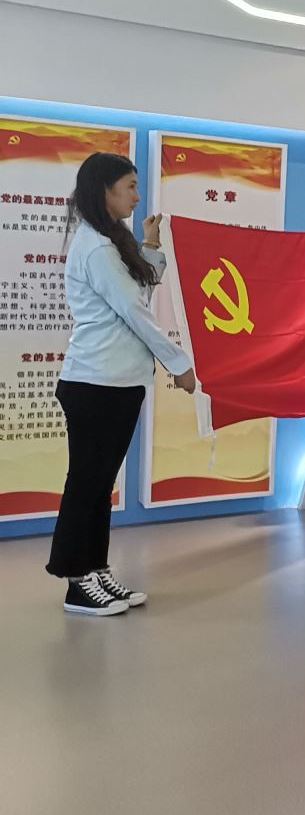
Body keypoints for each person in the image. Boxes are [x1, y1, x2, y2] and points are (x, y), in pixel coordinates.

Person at [51, 153, 196, 616]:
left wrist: (150, 244)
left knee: (99, 486)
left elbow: (138, 290)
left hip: (119, 383)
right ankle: (77, 582)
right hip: (95, 383)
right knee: (87, 484)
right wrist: (178, 363)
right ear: (105, 191)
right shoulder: (96, 246)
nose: (137, 195)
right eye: (130, 186)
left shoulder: (113, 239)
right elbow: (135, 311)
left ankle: (95, 569)